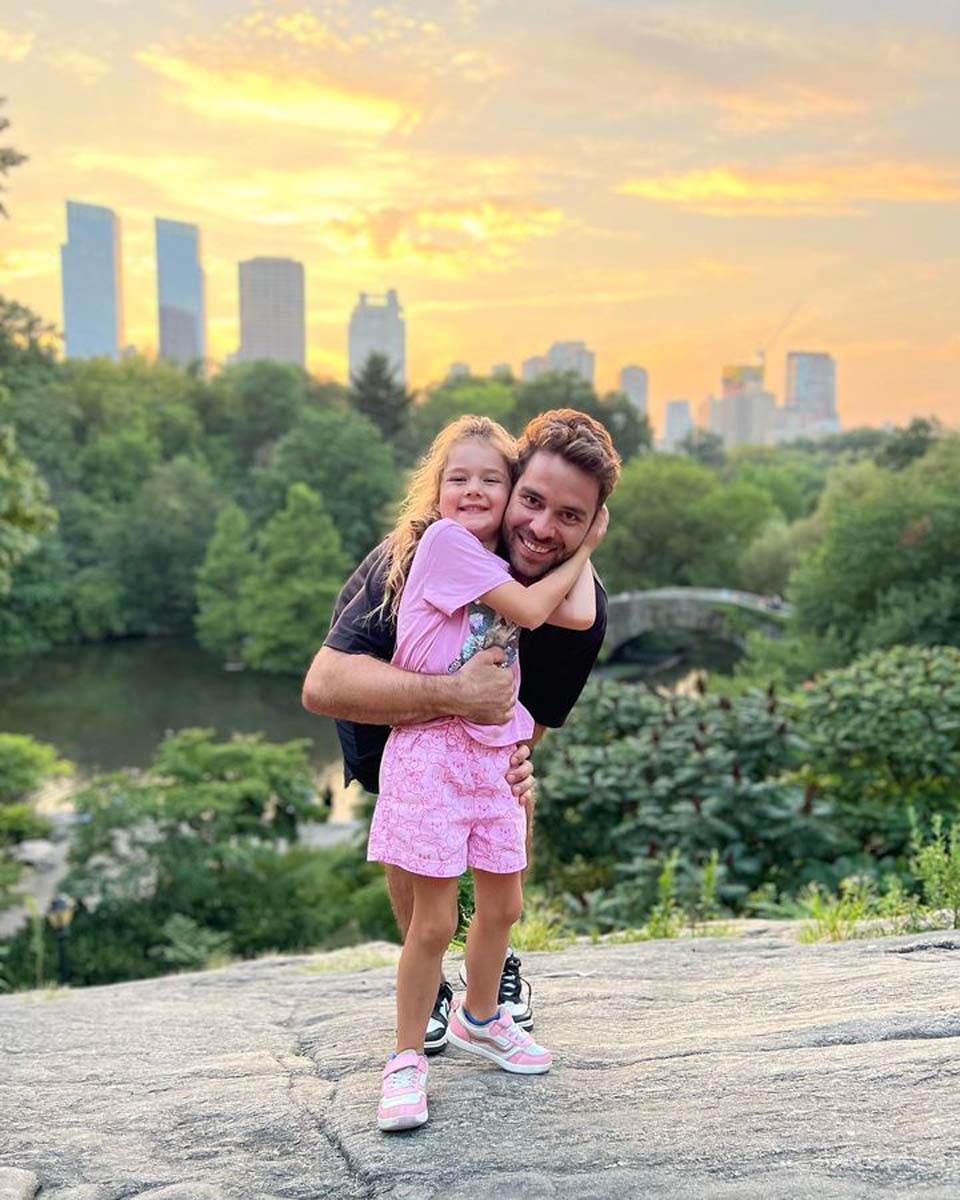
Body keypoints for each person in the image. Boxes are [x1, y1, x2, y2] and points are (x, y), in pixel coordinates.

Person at [301, 408, 620, 1075]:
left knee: (510, 796)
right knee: (426, 875)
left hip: (485, 735)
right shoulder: (418, 550)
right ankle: (432, 992)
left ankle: (489, 978)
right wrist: (452, 695)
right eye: (533, 501)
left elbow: (531, 723)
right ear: (513, 485)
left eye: (570, 516)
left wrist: (513, 756)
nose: (541, 527)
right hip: (385, 724)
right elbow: (324, 684)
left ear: (594, 522)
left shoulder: (578, 605)